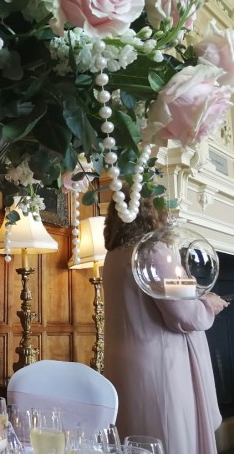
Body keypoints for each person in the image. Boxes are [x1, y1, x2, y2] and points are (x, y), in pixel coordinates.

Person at [103, 194, 229, 454]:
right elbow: (183, 313)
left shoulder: (113, 255)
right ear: (154, 212)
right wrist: (210, 304)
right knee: (169, 437)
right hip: (163, 364)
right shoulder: (152, 252)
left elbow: (171, 297)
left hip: (127, 364)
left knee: (136, 437)